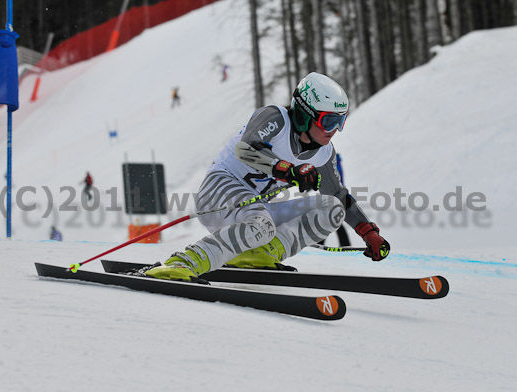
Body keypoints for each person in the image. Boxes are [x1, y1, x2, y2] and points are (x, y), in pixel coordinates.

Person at [146, 72, 390, 282]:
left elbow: (338, 194)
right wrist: (287, 170)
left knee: (332, 208)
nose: (335, 129)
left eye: (340, 121)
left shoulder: (324, 153)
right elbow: (245, 149)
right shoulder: (275, 118)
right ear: (305, 114)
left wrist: (368, 232)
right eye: (329, 121)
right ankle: (184, 262)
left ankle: (257, 254)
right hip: (219, 193)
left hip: (255, 208)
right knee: (261, 223)